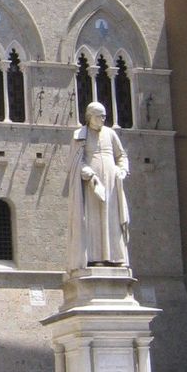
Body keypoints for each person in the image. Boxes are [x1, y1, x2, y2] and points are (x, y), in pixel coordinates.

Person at [66, 100, 131, 271]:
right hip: (91, 186)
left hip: (111, 182)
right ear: (89, 117)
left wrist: (123, 170)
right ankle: (95, 258)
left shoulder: (110, 133)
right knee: (93, 220)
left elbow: (121, 155)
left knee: (113, 218)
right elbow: (75, 162)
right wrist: (87, 173)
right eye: (99, 116)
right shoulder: (80, 135)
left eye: (104, 116)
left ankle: (116, 257)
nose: (103, 119)